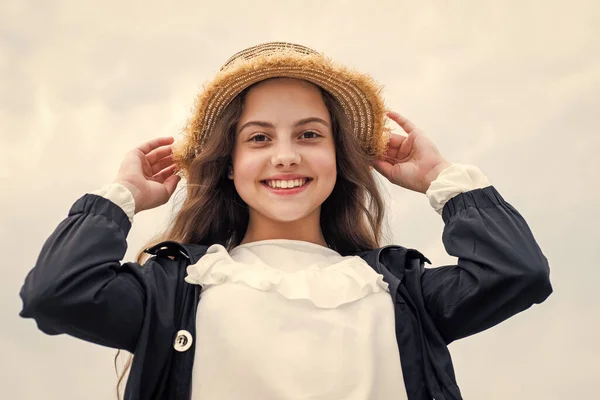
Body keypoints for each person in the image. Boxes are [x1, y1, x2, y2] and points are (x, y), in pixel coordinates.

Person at [19, 42, 552, 400]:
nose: (285, 156)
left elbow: (517, 273)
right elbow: (57, 292)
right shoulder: (175, 291)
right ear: (230, 165)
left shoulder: (401, 291)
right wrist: (122, 198)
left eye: (309, 134)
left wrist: (442, 177)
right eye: (258, 138)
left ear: (339, 158)